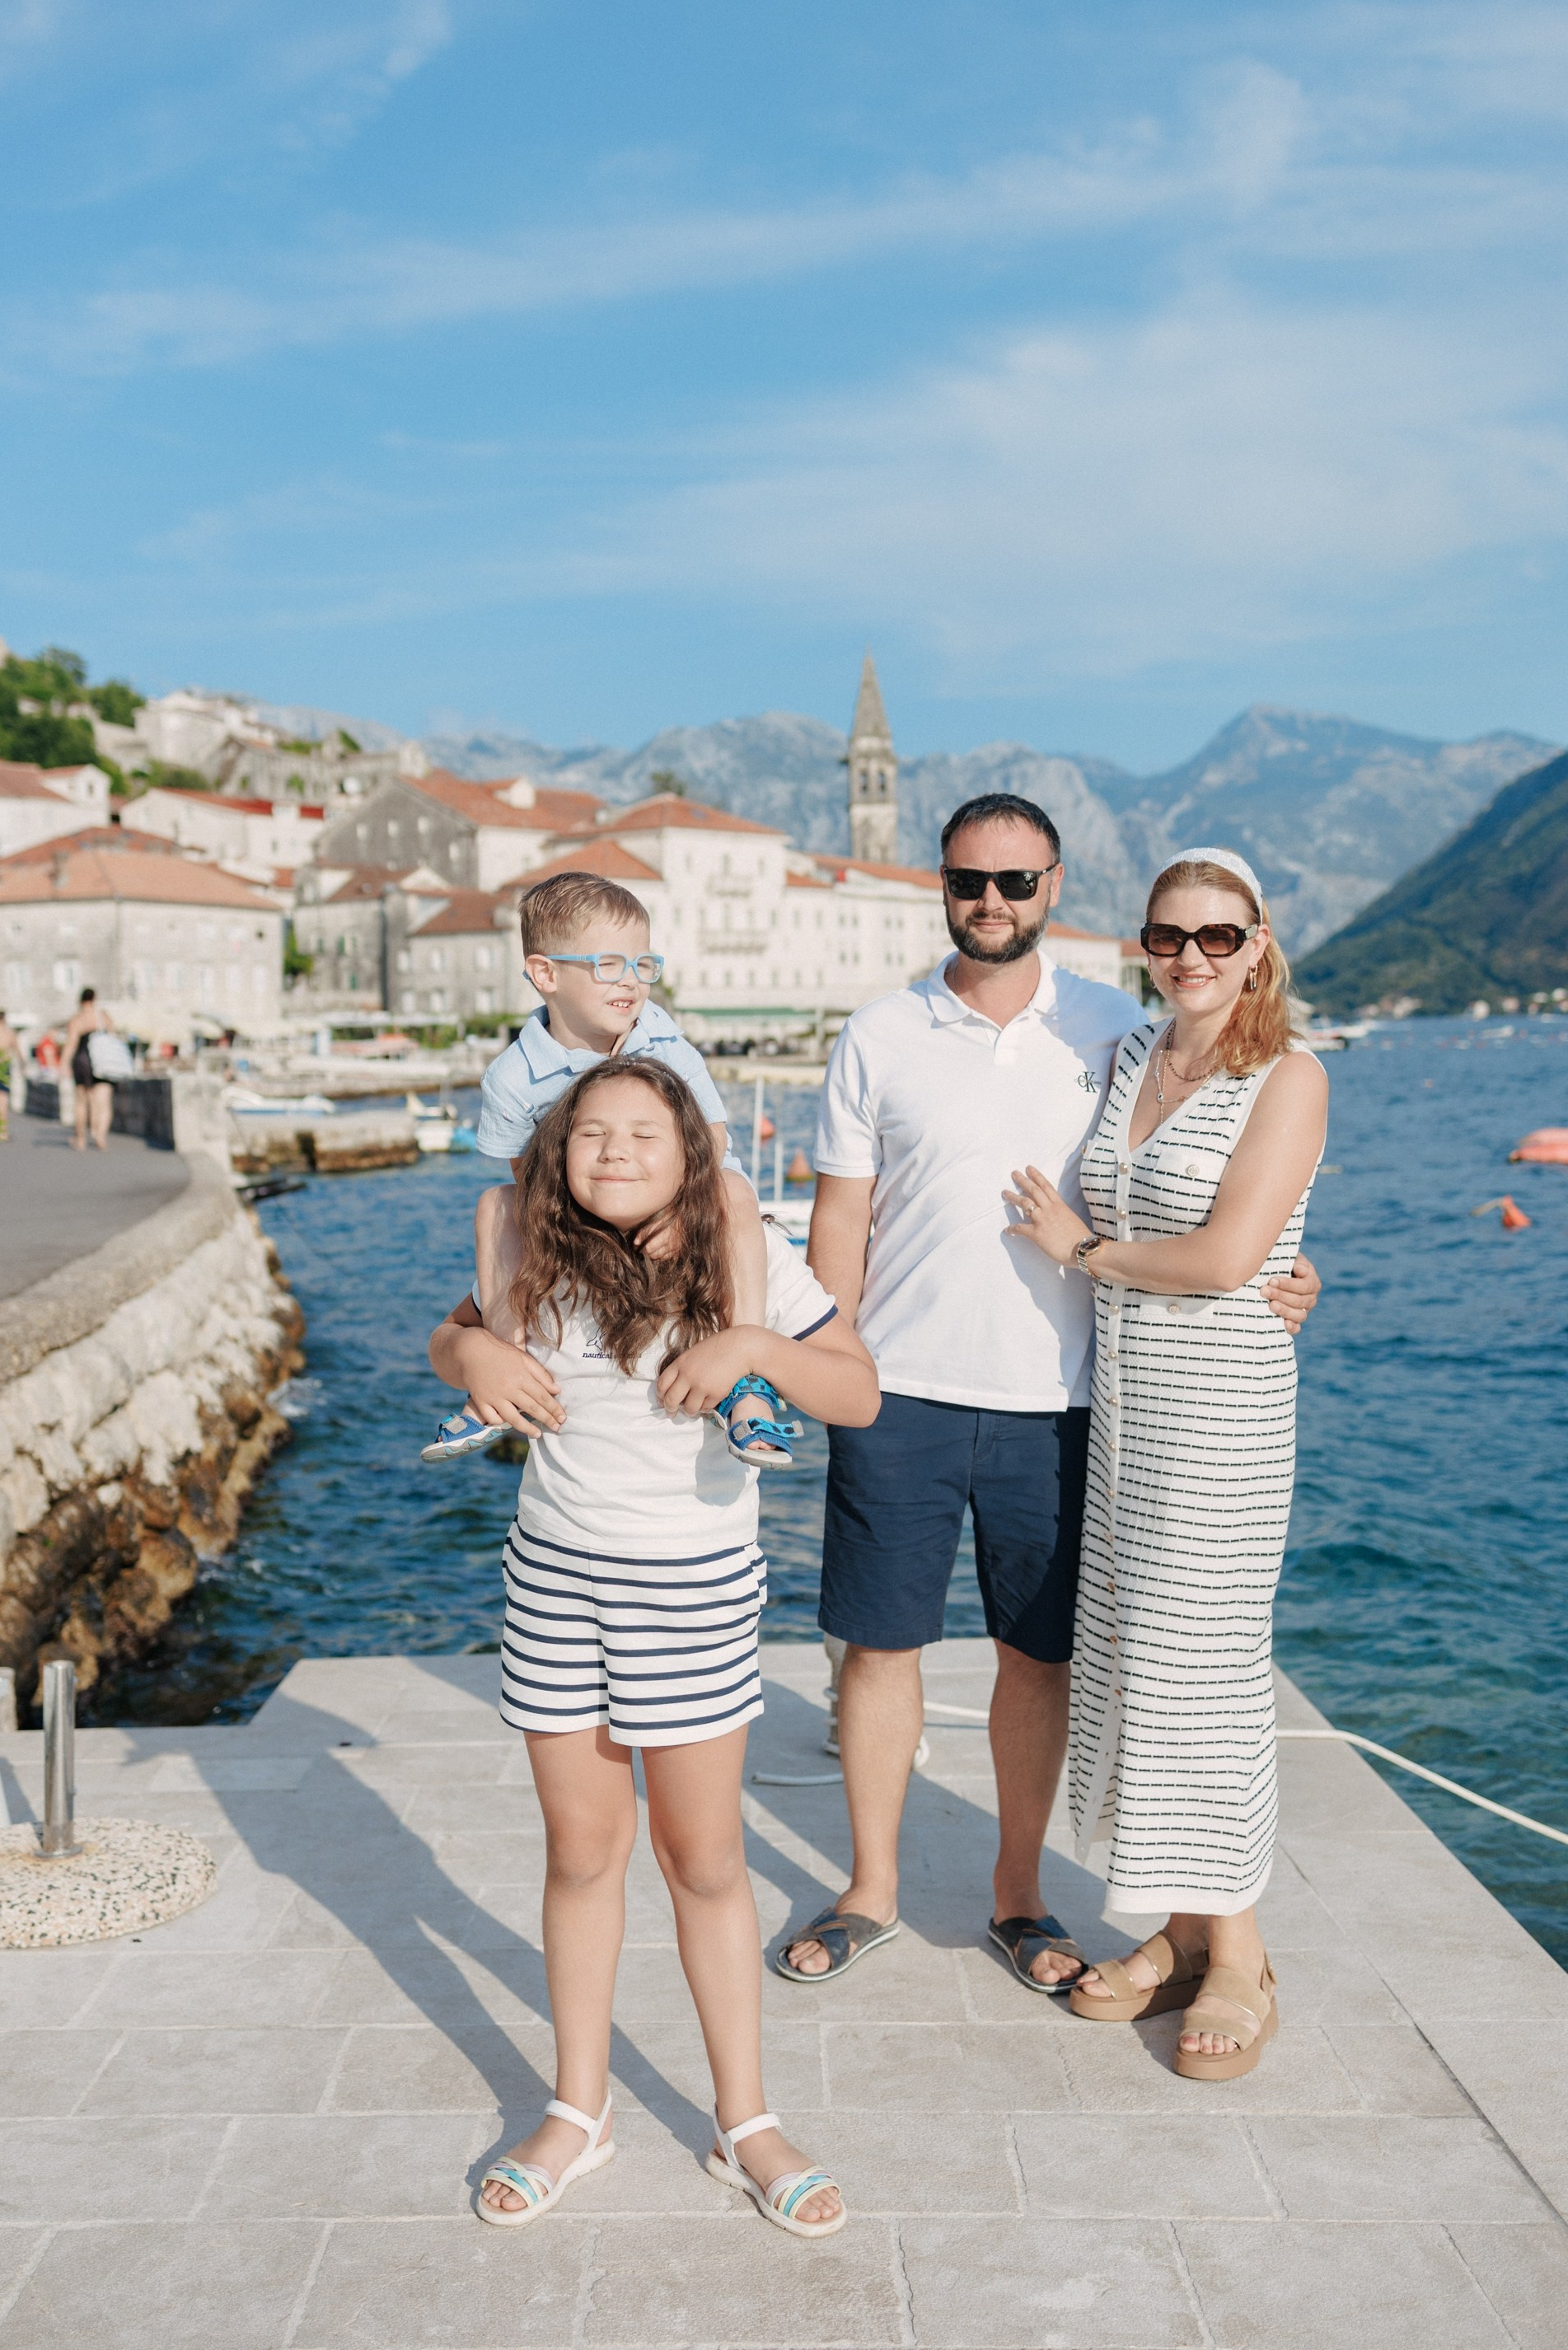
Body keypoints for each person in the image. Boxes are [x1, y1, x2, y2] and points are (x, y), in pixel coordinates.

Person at [776, 794, 1320, 1992]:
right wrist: (829, 1359)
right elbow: (840, 1215)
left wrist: (1286, 1268)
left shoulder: (1116, 1031)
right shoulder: (878, 1034)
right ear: (941, 884)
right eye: (969, 879)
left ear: (1055, 888)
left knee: (1038, 1660)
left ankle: (1017, 1898)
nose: (992, 900)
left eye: (1016, 881)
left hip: (1070, 1401)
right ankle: (870, 1891)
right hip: (897, 1389)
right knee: (877, 1647)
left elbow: (1211, 1180)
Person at [428, 1060, 879, 2233]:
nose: (615, 1151)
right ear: (557, 1150)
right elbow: (452, 1340)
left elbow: (857, 1393)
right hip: (552, 1586)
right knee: (581, 1855)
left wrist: (750, 1350)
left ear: (690, 1154)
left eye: (643, 1132)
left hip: (690, 1594)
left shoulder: (745, 1252)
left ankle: (745, 2123)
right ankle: (579, 2109)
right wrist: (472, 1357)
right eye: (591, 1132)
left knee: (706, 1862)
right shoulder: (535, 1249)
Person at [1005, 847, 1325, 2079]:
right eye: (1167, 936)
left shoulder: (1289, 1073)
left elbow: (1229, 1258)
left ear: (1257, 944)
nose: (1191, 956)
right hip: (1128, 1412)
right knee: (1139, 1659)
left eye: (1217, 936)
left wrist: (1082, 1252)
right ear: (1143, 945)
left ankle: (1238, 1954)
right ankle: (1185, 1932)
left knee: (1206, 1671)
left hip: (1221, 1413)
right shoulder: (1133, 1053)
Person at [424, 870, 789, 1469]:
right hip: (586, 1213)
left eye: (644, 965)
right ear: (545, 974)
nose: (632, 981)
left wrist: (682, 1211)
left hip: (694, 1201)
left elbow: (713, 1138)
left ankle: (746, 1377)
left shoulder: (663, 1039)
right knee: (495, 1205)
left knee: (733, 1188)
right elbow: (530, 1179)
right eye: (609, 965)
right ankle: (506, 1371)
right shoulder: (513, 1078)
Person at [61, 987, 116, 1152]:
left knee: (81, 1101)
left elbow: (71, 1043)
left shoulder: (77, 1019)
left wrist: (63, 1063)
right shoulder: (103, 1017)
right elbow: (113, 1038)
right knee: (104, 1101)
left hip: (83, 1059)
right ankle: (101, 1137)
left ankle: (81, 1139)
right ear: (94, 999)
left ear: (80, 1001)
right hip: (102, 1061)